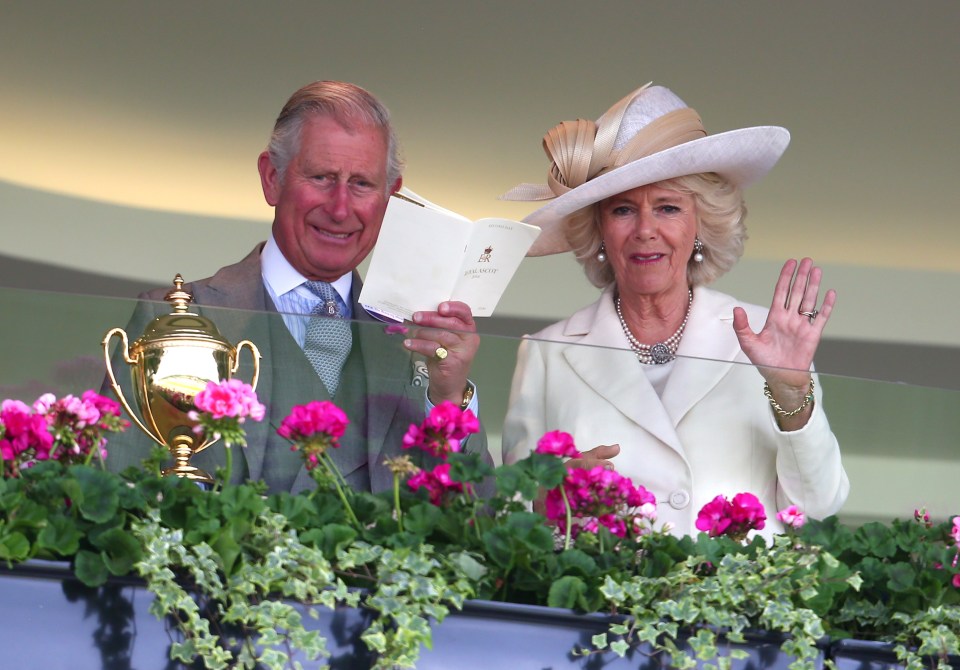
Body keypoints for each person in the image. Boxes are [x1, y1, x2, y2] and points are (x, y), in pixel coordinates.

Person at [500, 83, 849, 536]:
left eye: (667, 208)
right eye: (624, 210)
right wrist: (550, 495)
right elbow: (509, 517)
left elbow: (818, 505)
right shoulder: (547, 353)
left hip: (732, 601)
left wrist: (791, 395)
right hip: (599, 602)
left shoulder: (766, 337)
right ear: (599, 229)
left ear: (701, 225)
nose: (646, 230)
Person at [107, 80, 489, 494]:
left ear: (390, 199)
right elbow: (120, 495)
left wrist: (449, 398)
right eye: (322, 177)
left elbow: (475, 522)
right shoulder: (179, 319)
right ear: (272, 178)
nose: (340, 208)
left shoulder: (416, 345)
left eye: (362, 184)